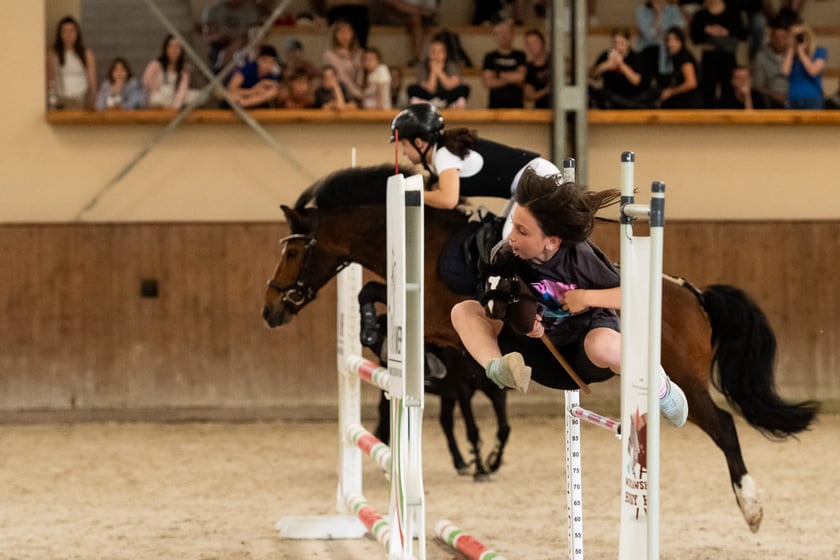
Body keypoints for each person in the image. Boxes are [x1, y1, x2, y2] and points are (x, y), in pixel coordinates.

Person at [449, 169, 689, 428]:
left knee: (603, 344)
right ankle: (497, 368)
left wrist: (586, 297)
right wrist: (522, 320)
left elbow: (636, 296)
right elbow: (495, 302)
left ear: (552, 242)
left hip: (583, 353)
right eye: (513, 225)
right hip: (538, 355)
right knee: (463, 310)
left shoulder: (580, 258)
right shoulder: (504, 254)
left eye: (522, 231)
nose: (511, 237)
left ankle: (661, 387)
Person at [389, 103, 560, 211]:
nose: (403, 152)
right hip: (533, 181)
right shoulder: (444, 151)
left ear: (418, 142)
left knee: (510, 240)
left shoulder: (443, 154)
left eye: (404, 144)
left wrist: (407, 196)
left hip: (539, 181)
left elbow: (448, 200)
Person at [689, 0, 746, 108]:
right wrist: (706, 30)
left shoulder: (732, 12)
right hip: (709, 57)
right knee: (708, 89)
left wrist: (725, 32)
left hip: (727, 57)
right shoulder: (701, 15)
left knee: (728, 89)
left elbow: (742, 34)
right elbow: (695, 38)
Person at [588, 27, 650, 109]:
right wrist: (605, 66)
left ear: (628, 42)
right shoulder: (605, 56)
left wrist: (621, 65)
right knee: (591, 90)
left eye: (621, 43)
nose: (618, 46)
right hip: (610, 95)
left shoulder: (636, 57)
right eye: (615, 43)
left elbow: (636, 81)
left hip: (632, 97)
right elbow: (592, 75)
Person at [46, 15, 97, 110]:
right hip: (61, 101)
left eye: (72, 31)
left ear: (77, 33)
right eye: (65, 31)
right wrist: (50, 101)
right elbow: (50, 79)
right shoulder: (53, 54)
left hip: (81, 99)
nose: (68, 35)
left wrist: (93, 100)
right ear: (60, 34)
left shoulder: (86, 54)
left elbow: (91, 79)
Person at [200, 0, 264, 74]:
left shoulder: (252, 12)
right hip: (220, 46)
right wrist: (221, 37)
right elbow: (207, 35)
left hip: (244, 46)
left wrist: (240, 42)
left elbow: (256, 34)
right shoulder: (212, 10)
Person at [635, 0, 686, 90]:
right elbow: (648, 34)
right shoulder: (642, 11)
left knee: (667, 82)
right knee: (645, 83)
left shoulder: (673, 10)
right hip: (648, 51)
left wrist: (665, 36)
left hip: (668, 51)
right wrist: (658, 15)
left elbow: (678, 30)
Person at [407, 38, 471, 108]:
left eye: (440, 52)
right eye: (433, 51)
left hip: (447, 96)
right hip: (429, 96)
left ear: (445, 53)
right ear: (428, 53)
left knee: (464, 88)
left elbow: (450, 86)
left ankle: (450, 104)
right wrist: (433, 72)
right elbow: (430, 88)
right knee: (412, 89)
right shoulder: (423, 67)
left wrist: (440, 72)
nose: (436, 55)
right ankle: (428, 103)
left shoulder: (451, 65)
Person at [371, 0, 438, 66]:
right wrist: (415, 10)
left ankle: (416, 58)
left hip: (418, 17)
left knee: (416, 18)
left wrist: (415, 11)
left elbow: (429, 10)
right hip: (393, 13)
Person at [142, 34, 199, 110]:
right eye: (171, 46)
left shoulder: (184, 69)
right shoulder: (155, 65)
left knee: (196, 96)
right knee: (156, 98)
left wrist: (175, 107)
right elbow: (146, 83)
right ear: (165, 48)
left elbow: (182, 89)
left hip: (174, 97)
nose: (174, 50)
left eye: (177, 47)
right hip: (159, 97)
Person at [481, 19, 527, 109]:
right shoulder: (490, 57)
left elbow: (520, 77)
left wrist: (497, 74)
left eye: (506, 32)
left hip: (517, 107)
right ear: (495, 35)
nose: (504, 36)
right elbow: (488, 82)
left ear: (512, 35)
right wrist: (511, 79)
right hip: (494, 108)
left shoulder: (520, 55)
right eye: (500, 33)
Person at [782, 22, 827, 109]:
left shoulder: (819, 52)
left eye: (800, 35)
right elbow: (784, 73)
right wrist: (791, 49)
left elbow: (813, 71)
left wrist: (801, 52)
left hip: (812, 99)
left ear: (808, 36)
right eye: (793, 35)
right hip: (793, 99)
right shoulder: (790, 57)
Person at [224, 44, 282, 108]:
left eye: (271, 62)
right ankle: (242, 104)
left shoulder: (271, 76)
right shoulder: (247, 68)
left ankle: (243, 104)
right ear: (258, 60)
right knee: (230, 95)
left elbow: (275, 91)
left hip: (250, 102)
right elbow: (231, 89)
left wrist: (268, 85)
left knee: (273, 92)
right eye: (265, 61)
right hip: (241, 97)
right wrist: (253, 90)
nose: (268, 65)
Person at [322, 20, 364, 105]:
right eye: (341, 32)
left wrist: (362, 91)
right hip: (340, 93)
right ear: (335, 35)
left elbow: (362, 74)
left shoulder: (360, 53)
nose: (344, 35)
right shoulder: (329, 55)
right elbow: (340, 76)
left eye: (347, 32)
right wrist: (356, 93)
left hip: (359, 92)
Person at [659, 26, 702, 108]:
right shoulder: (674, 58)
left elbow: (691, 83)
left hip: (689, 104)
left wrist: (671, 92)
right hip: (681, 102)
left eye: (675, 40)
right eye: (668, 40)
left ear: (681, 41)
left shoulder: (685, 58)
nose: (671, 44)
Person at [752, 18, 789, 109]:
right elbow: (758, 85)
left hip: (793, 96)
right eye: (777, 37)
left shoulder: (795, 55)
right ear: (771, 38)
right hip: (771, 97)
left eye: (783, 37)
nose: (780, 41)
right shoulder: (761, 57)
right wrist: (773, 95)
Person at [523, 28, 551, 108]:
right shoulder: (529, 68)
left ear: (543, 42)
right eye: (529, 44)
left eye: (535, 42)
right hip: (542, 110)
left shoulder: (555, 60)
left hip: (561, 108)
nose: (532, 46)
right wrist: (546, 90)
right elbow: (529, 95)